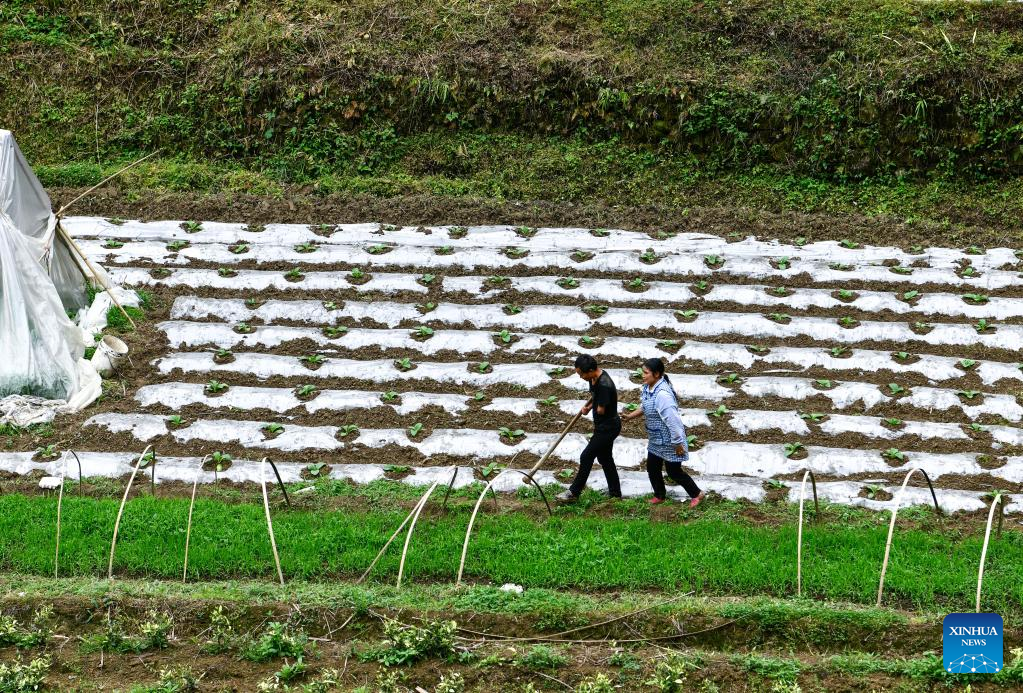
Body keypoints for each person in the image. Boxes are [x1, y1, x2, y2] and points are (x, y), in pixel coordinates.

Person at [623, 357, 705, 508]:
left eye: (646, 373)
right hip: (656, 439)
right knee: (652, 468)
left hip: (670, 440)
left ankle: (696, 493)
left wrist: (678, 443)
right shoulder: (648, 388)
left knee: (674, 472)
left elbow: (674, 422)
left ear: (657, 374)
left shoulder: (663, 395)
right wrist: (630, 416)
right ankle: (659, 495)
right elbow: (645, 406)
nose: (643, 375)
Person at [556, 354, 622, 501]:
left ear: (592, 370)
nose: (581, 377)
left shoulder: (604, 384)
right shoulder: (594, 378)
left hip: (608, 427)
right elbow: (595, 396)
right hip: (602, 426)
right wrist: (588, 406)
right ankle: (616, 494)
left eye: (582, 374)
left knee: (586, 456)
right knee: (605, 458)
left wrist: (594, 408)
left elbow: (601, 409)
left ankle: (573, 493)